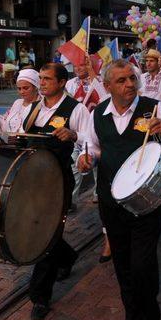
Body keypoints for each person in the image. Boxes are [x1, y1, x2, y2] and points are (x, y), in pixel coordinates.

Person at [78, 59, 161, 320]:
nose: (130, 84)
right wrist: (85, 158)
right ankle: (132, 315)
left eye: (131, 78)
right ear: (107, 86)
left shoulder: (155, 108)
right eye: (121, 81)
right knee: (123, 264)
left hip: (147, 201)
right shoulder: (97, 114)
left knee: (142, 265)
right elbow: (90, 147)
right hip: (111, 202)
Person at [22, 63, 91, 320]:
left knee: (47, 235)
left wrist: (73, 135)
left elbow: (90, 139)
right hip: (31, 178)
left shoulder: (77, 108)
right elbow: (17, 131)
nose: (42, 83)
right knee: (38, 228)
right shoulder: (34, 108)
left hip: (58, 178)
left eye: (47, 79)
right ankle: (68, 255)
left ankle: (40, 296)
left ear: (62, 82)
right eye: (40, 78)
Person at [65, 55, 111, 261]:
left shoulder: (100, 83)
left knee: (98, 171)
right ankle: (69, 201)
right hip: (77, 135)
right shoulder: (70, 84)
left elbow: (105, 100)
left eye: (82, 64)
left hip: (96, 134)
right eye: (76, 64)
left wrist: (94, 77)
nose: (77, 67)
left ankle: (99, 194)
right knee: (76, 168)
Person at [0, 69, 40, 139]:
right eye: (19, 89)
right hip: (13, 145)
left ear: (35, 87)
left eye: (26, 88)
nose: (22, 92)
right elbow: (4, 125)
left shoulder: (42, 105)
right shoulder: (18, 103)